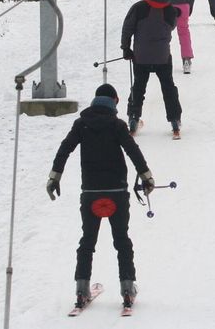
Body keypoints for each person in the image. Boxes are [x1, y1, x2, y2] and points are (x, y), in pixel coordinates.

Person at [46, 83, 155, 313]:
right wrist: (146, 177)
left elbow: (65, 149)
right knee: (122, 241)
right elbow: (132, 150)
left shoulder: (81, 124)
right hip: (116, 193)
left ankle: (81, 289)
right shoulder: (117, 125)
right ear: (115, 101)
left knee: (87, 242)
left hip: (91, 194)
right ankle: (127, 288)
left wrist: (55, 177)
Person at [120, 0, 183, 136]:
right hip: (162, 56)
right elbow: (172, 25)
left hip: (140, 56)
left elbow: (127, 28)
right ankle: (175, 119)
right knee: (168, 87)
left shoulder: (138, 8)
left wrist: (126, 49)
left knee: (138, 87)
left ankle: (133, 118)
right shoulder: (170, 11)